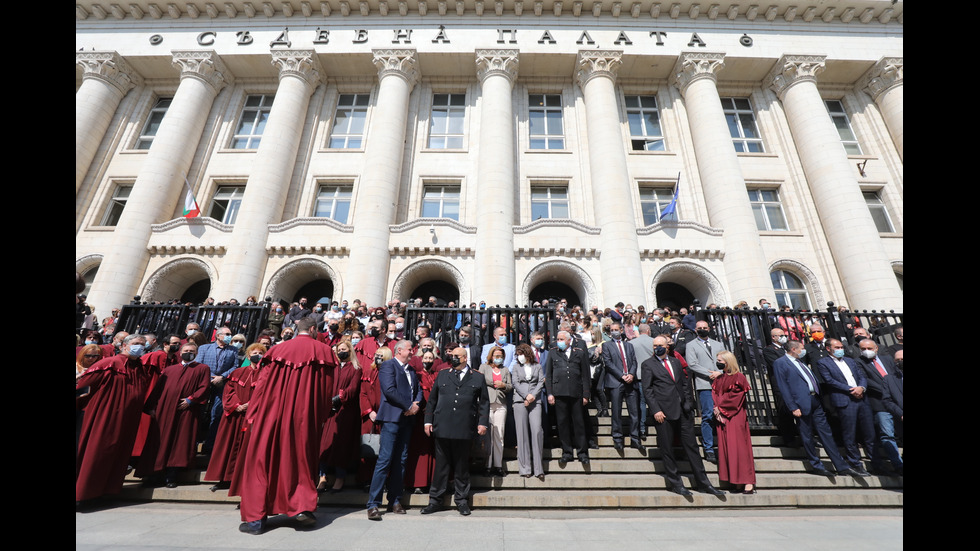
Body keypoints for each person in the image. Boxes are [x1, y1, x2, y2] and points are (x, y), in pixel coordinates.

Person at [237, 317, 339, 535]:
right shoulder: (324, 351)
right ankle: (300, 508)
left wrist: (253, 414)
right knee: (300, 459)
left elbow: (261, 385)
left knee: (263, 461)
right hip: (304, 417)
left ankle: (256, 519)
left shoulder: (276, 350)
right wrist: (318, 417)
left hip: (271, 415)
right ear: (313, 329)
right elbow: (325, 392)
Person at [76, 334, 156, 505]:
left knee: (117, 456)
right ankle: (83, 495)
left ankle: (104, 491)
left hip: (127, 420)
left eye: (143, 344)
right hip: (104, 417)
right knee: (97, 453)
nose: (140, 347)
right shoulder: (108, 364)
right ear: (124, 346)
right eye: (136, 344)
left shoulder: (140, 368)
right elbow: (83, 387)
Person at [641, 336, 724, 496]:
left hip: (683, 411)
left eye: (660, 345)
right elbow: (648, 390)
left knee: (692, 447)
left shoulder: (675, 362)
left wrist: (688, 403)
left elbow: (684, 383)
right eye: (655, 345)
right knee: (667, 448)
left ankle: (703, 482)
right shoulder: (648, 365)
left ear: (667, 346)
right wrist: (656, 410)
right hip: (663, 413)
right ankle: (676, 483)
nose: (657, 347)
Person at [420, 346, 490, 516]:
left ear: (465, 358)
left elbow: (484, 403)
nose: (453, 358)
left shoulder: (477, 377)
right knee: (441, 466)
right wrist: (428, 421)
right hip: (442, 425)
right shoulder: (443, 374)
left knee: (461, 466)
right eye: (452, 355)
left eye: (457, 356)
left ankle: (462, 500)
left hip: (464, 427)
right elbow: (433, 400)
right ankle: (435, 500)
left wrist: (482, 423)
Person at [772, 340, 854, 477]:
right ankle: (817, 465)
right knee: (807, 435)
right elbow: (783, 386)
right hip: (801, 403)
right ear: (793, 349)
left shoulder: (800, 361)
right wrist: (793, 406)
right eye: (801, 348)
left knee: (826, 433)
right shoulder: (781, 363)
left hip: (815, 400)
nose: (804, 350)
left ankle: (841, 466)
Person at [366, 340, 423, 520]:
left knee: (401, 460)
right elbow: (389, 390)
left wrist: (416, 404)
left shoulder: (411, 370)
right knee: (385, 459)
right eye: (409, 349)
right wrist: (408, 405)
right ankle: (373, 504)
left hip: (407, 421)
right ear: (399, 351)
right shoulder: (388, 366)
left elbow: (419, 390)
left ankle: (395, 499)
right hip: (391, 419)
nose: (412, 352)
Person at [143, 342, 210, 488]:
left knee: (179, 441)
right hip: (165, 411)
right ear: (180, 352)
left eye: (192, 350)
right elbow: (157, 389)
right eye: (186, 350)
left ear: (197, 353)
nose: (188, 352)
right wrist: (152, 407)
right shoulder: (169, 370)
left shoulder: (202, 369)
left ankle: (171, 476)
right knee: (159, 441)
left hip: (185, 412)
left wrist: (191, 399)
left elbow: (204, 387)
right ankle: (154, 475)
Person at [205, 343, 266, 492]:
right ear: (248, 355)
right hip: (234, 415)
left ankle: (242, 482)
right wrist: (236, 405)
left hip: (253, 416)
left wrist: (250, 405)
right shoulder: (238, 372)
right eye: (254, 352)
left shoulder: (267, 374)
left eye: (260, 352)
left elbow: (267, 394)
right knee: (228, 446)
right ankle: (225, 479)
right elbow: (228, 391)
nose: (256, 355)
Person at [814, 339, 875, 476]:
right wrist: (851, 389)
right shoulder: (823, 362)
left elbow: (861, 376)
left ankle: (876, 461)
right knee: (850, 433)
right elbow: (829, 381)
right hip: (845, 400)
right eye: (837, 347)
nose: (840, 349)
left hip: (862, 399)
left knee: (869, 432)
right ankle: (855, 463)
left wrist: (861, 387)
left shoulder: (850, 360)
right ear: (828, 349)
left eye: (841, 347)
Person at [317, 339, 362, 494]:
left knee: (341, 445)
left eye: (344, 349)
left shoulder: (355, 368)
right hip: (330, 411)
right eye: (339, 349)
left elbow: (353, 388)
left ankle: (340, 478)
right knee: (325, 444)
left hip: (346, 411)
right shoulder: (332, 367)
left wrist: (339, 398)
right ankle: (322, 476)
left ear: (350, 351)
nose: (341, 351)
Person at [854, 338, 904, 476]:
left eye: (869, 348)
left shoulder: (888, 359)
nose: (866, 351)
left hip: (898, 401)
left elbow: (897, 375)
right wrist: (889, 389)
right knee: (887, 434)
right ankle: (898, 465)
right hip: (880, 403)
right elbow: (867, 381)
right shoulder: (859, 362)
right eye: (863, 349)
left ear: (876, 348)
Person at [543, 331, 592, 465]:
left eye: (561, 339)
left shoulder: (579, 353)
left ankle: (582, 453)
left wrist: (586, 394)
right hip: (559, 393)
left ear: (569, 340)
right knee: (562, 424)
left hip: (576, 393)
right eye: (557, 338)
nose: (558, 341)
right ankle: (567, 452)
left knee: (579, 423)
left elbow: (585, 375)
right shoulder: (553, 353)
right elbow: (549, 375)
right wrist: (550, 393)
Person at [712, 350, 756, 494]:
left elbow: (736, 397)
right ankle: (735, 480)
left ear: (728, 361)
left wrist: (721, 408)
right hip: (722, 416)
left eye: (720, 360)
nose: (718, 362)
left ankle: (747, 481)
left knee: (740, 448)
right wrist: (716, 408)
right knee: (728, 448)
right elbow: (715, 394)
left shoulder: (739, 377)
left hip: (734, 416)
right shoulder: (720, 378)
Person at [404, 347, 446, 492]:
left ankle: (432, 482)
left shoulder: (438, 375)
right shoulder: (416, 375)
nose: (428, 361)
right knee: (419, 449)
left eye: (430, 358)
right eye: (425, 358)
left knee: (434, 450)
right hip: (419, 417)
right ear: (421, 360)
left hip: (435, 417)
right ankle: (417, 483)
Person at [685, 320, 725, 464]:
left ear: (709, 329)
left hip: (721, 383)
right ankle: (709, 447)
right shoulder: (691, 345)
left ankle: (723, 443)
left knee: (723, 414)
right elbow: (692, 364)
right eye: (699, 328)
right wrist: (710, 373)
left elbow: (726, 359)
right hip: (704, 384)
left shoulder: (718, 344)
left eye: (705, 328)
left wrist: (719, 372)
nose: (702, 329)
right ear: (695, 330)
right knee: (707, 415)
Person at [195, 326, 239, 455]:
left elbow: (235, 366)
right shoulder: (204, 348)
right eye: (227, 334)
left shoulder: (233, 350)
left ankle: (210, 445)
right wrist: (211, 377)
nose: (229, 336)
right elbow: (199, 364)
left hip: (222, 385)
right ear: (218, 336)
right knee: (199, 412)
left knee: (217, 414)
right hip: (205, 383)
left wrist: (222, 377)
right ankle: (194, 443)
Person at [601, 322, 643, 453]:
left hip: (631, 382)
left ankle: (635, 438)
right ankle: (618, 438)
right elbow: (608, 363)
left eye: (616, 329)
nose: (614, 331)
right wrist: (621, 375)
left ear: (621, 330)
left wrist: (631, 374)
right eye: (612, 330)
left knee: (634, 411)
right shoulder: (606, 345)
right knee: (616, 411)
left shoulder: (629, 345)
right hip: (616, 381)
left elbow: (634, 361)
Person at [511, 343, 545, 479]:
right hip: (520, 401)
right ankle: (525, 468)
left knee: (537, 431)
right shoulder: (515, 367)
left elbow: (540, 382)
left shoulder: (537, 366)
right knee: (522, 434)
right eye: (517, 355)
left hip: (535, 401)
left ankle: (538, 468)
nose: (519, 357)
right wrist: (526, 395)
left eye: (521, 354)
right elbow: (516, 383)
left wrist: (532, 396)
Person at [358, 346, 390, 488]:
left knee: (384, 449)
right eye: (376, 355)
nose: (378, 358)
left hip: (385, 416)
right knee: (369, 448)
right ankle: (366, 480)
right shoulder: (368, 372)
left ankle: (383, 481)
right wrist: (369, 411)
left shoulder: (391, 373)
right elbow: (363, 393)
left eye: (381, 356)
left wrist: (382, 413)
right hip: (369, 417)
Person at [482, 346, 513, 476]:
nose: (498, 358)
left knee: (499, 435)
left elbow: (510, 386)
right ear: (491, 355)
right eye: (496, 355)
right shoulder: (484, 367)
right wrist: (495, 382)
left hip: (501, 404)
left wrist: (503, 385)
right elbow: (480, 380)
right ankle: (487, 465)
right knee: (488, 436)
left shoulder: (505, 370)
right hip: (487, 403)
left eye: (500, 356)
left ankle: (498, 465)